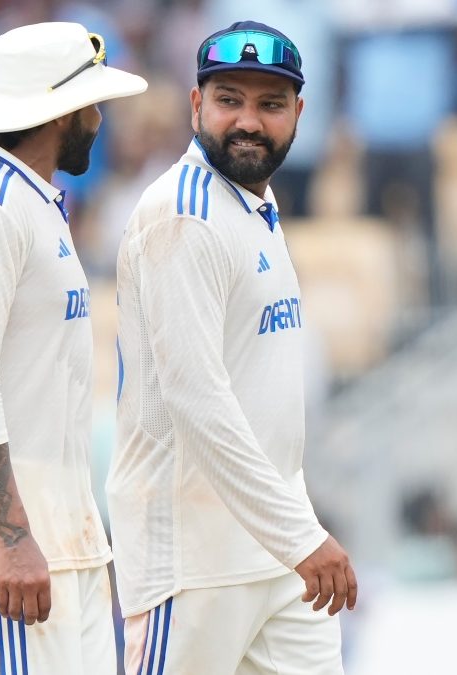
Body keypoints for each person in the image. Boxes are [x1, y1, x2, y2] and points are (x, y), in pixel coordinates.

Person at [107, 21, 357, 674]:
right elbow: (198, 398)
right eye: (229, 100)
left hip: (273, 551)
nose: (248, 121)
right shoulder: (184, 215)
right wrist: (303, 535)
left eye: (270, 104)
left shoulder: (254, 204)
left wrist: (293, 528)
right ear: (196, 106)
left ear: (299, 114)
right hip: (193, 562)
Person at [0, 22, 146, 674]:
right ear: (63, 111)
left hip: (62, 531)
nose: (100, 120)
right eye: (93, 104)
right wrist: (12, 534)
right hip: (18, 542)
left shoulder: (31, 199)